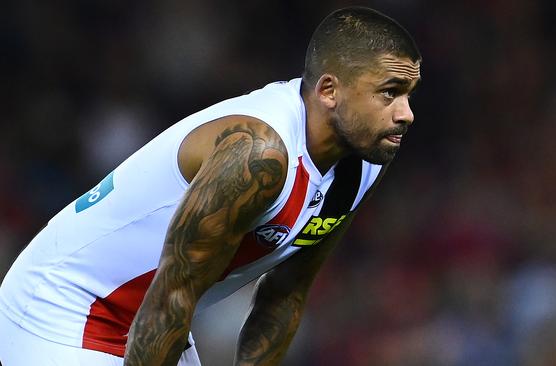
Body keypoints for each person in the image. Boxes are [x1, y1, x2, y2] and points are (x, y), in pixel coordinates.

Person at [0, 6, 421, 366]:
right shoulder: (258, 154)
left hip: (154, 320)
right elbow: (172, 296)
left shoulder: (364, 160)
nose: (406, 114)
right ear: (329, 90)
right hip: (65, 311)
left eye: (409, 94)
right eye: (390, 92)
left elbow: (285, 294)